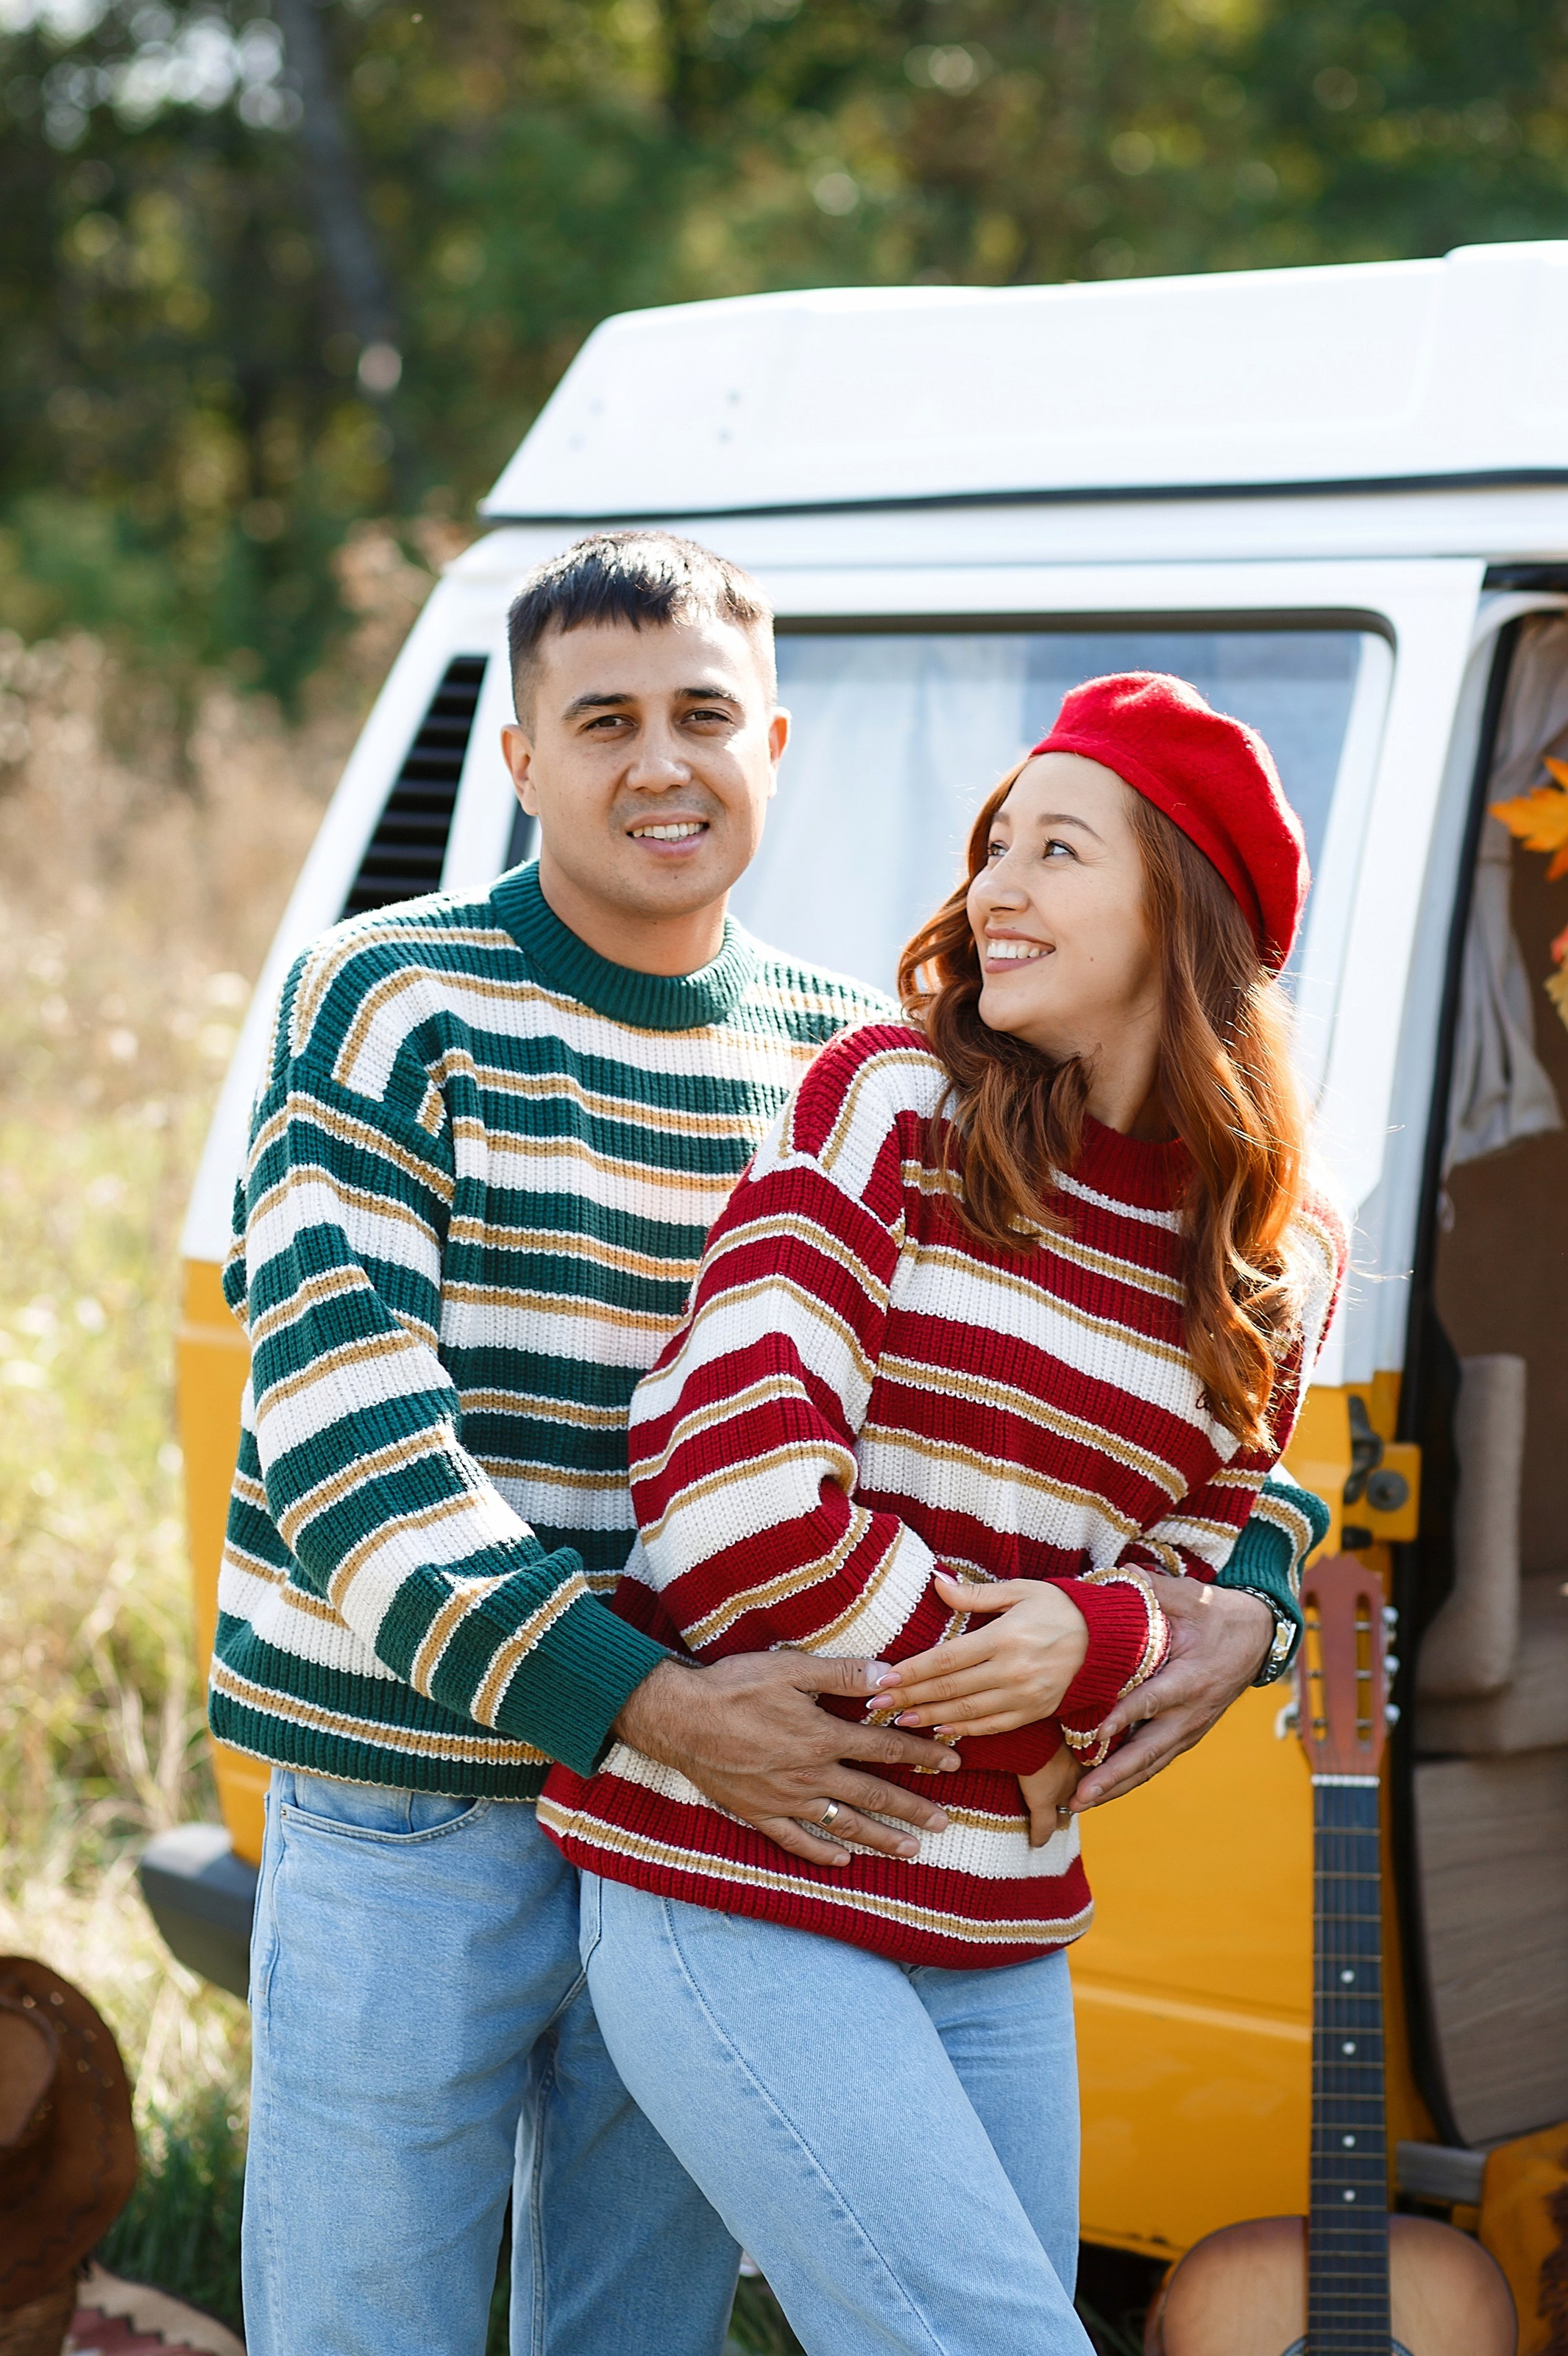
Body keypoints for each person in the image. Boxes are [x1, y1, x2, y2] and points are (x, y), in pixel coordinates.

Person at [215, 541, 1300, 2356]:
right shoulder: (388, 1000)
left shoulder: (854, 1055)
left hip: (739, 1801)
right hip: (427, 1791)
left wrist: (1247, 1588)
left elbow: (1096, 1391)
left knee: (633, 2331)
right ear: (520, 758)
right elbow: (344, 1430)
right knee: (364, 2322)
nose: (661, 764)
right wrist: (643, 1702)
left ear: (774, 744)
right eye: (604, 720)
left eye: (703, 716)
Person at [539, 668, 1347, 2356]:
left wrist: (1096, 1631)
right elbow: (728, 1483)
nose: (993, 886)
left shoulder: (1268, 1273)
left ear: (1176, 909)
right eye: (993, 843)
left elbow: (1186, 1595)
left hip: (997, 1913)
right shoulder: (893, 1101)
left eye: (1057, 850)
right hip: (739, 1869)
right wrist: (1003, 1679)